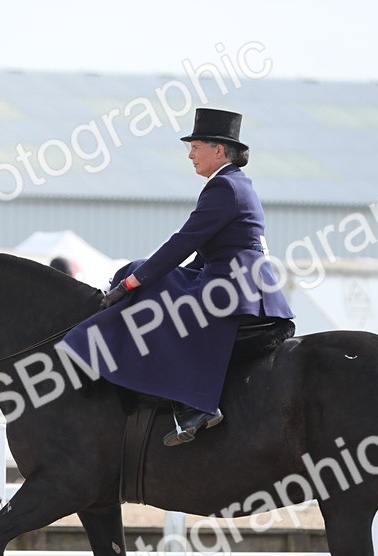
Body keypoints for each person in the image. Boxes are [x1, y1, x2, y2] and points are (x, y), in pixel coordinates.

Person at [58, 108, 293, 447]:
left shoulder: (225, 187)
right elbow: (206, 250)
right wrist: (140, 273)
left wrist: (131, 283)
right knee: (144, 274)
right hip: (232, 277)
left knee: (151, 293)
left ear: (218, 150)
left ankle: (197, 402)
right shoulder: (232, 185)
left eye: (196, 146)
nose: (190, 154)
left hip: (234, 286)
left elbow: (183, 242)